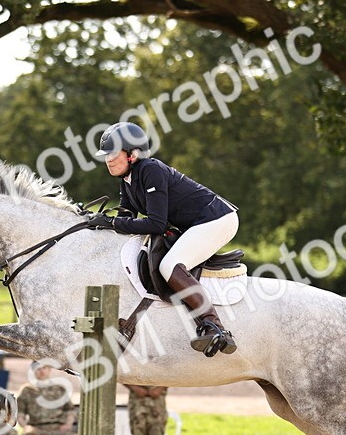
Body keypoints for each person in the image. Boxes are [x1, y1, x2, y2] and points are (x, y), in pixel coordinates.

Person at [88, 121, 239, 357]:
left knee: (170, 265)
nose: (108, 159)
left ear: (132, 155)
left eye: (113, 153)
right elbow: (126, 217)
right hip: (196, 224)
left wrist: (115, 223)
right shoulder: (127, 181)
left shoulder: (150, 170)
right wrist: (97, 221)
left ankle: (214, 326)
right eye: (106, 154)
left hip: (216, 219)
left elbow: (156, 223)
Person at [16, 362, 77, 435]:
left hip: (57, 428)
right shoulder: (27, 390)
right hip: (36, 428)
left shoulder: (59, 389)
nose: (42, 371)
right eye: (38, 369)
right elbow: (20, 413)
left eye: (44, 368)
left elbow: (70, 410)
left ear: (49, 369)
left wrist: (68, 424)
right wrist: (26, 426)